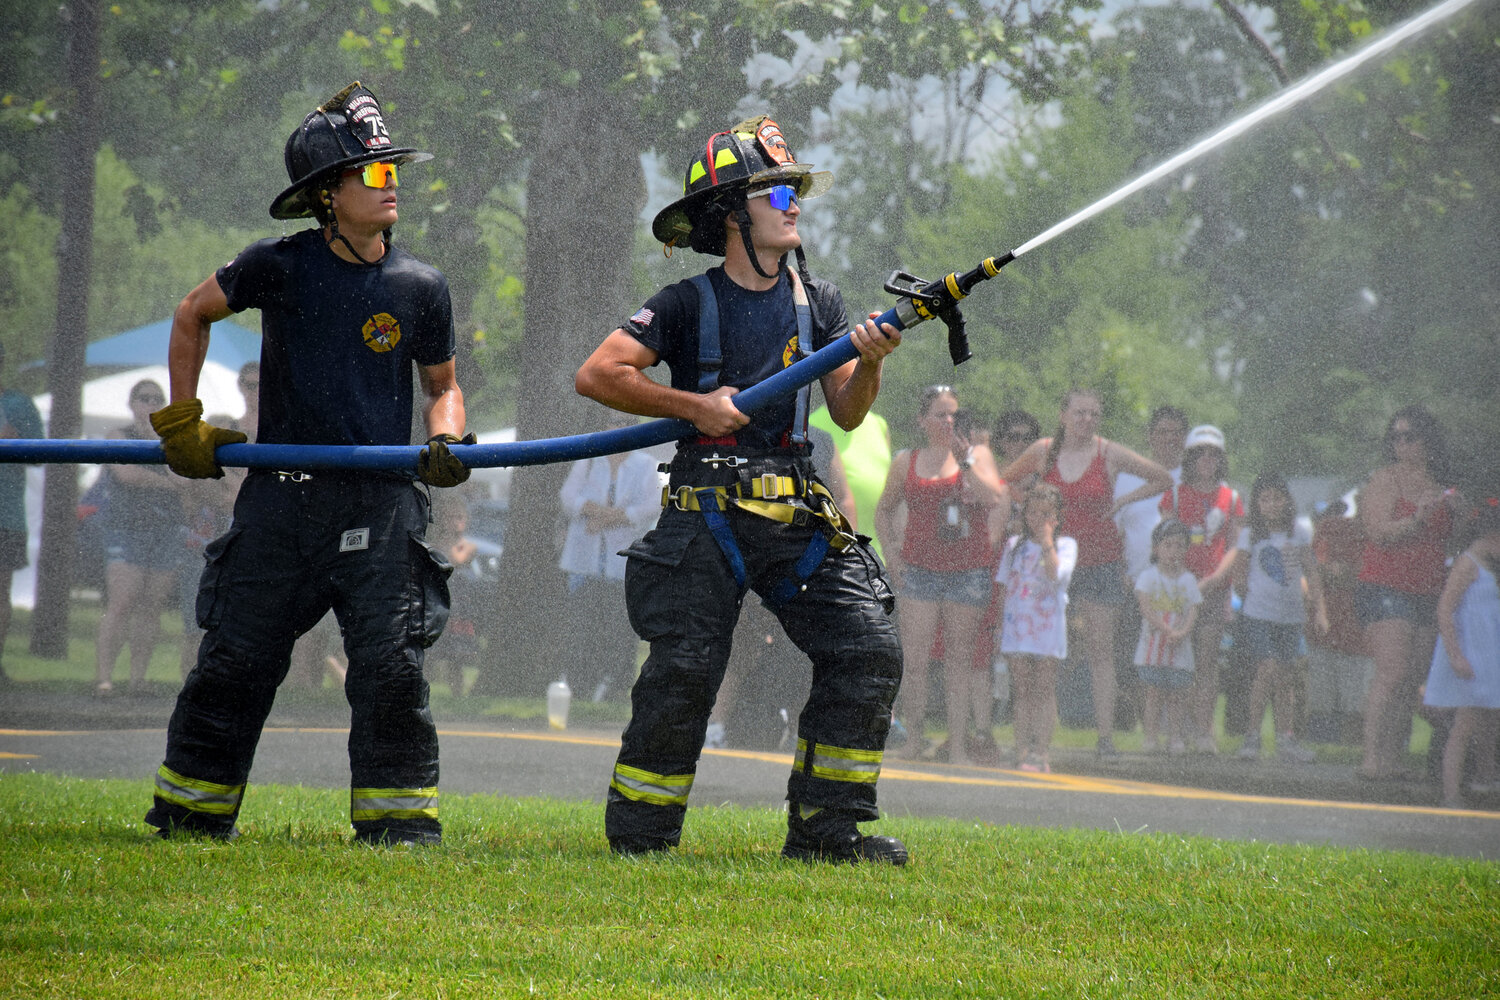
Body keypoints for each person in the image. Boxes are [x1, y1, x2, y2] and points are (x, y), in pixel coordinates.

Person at [143, 83, 471, 846]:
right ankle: (191, 816)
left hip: (381, 504)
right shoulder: (275, 267)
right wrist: (181, 419)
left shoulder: (420, 286)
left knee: (391, 670)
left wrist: (448, 440)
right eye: (376, 173)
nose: (393, 185)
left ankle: (398, 833)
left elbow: (444, 386)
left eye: (394, 171)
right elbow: (192, 314)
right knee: (233, 663)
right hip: (281, 504)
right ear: (329, 195)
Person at [574, 114, 906, 863]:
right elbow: (598, 373)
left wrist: (874, 360)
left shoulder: (819, 303)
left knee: (867, 645)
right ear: (732, 213)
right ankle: (641, 836)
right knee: (686, 669)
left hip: (793, 506)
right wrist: (693, 406)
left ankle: (827, 831)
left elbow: (847, 411)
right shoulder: (686, 304)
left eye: (794, 191)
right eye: (776, 192)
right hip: (706, 510)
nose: (793, 203)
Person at [999, 387, 1173, 760]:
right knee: (1042, 651)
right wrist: (1029, 509)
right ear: (1063, 415)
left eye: (1093, 414)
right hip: (1053, 561)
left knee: (1101, 650)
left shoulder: (1109, 453)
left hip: (1100, 560)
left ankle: (1105, 737)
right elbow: (1005, 480)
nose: (1087, 420)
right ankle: (1033, 738)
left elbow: (1162, 478)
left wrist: (1124, 500)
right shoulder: (1045, 450)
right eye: (1079, 413)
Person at [874, 386, 1007, 766]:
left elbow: (992, 499)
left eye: (953, 414)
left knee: (959, 660)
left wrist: (965, 463)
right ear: (923, 420)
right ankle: (914, 740)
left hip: (967, 571)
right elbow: (885, 510)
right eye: (940, 414)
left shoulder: (977, 455)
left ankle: (959, 746)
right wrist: (893, 557)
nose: (948, 421)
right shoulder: (908, 460)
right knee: (915, 660)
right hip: (918, 569)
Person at [1356, 406, 1461, 782]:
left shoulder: (1440, 483)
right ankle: (1371, 757)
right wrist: (1417, 516)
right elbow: (1378, 530)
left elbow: (1452, 538)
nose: (1401, 444)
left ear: (1427, 440)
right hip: (1386, 585)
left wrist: (1459, 514)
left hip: (1427, 588)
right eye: (1395, 437)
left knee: (1412, 676)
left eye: (1409, 436)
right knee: (1392, 672)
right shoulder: (1386, 479)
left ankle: (1391, 755)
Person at [557, 411, 663, 702]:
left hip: (622, 565)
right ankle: (580, 685)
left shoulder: (647, 466)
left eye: (625, 424)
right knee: (582, 625)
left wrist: (613, 518)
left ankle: (615, 685)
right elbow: (568, 498)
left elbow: (651, 507)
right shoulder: (590, 460)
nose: (618, 428)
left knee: (619, 628)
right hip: (584, 563)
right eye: (613, 422)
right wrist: (597, 512)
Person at [94, 379, 189, 696]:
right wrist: (166, 482)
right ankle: (104, 679)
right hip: (126, 528)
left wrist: (158, 440)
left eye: (157, 399)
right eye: (144, 398)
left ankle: (138, 680)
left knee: (152, 605)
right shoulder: (118, 435)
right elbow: (127, 474)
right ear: (132, 404)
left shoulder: (174, 440)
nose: (151, 404)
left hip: (166, 529)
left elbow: (187, 479)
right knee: (122, 602)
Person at [1158, 424, 1243, 754]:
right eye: (1200, 453)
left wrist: (1214, 579)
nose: (1207, 459)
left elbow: (1234, 546)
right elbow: (1164, 536)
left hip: (1213, 589)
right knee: (1177, 660)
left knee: (1207, 661)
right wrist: (1181, 576)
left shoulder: (1231, 497)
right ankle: (1176, 731)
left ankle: (1205, 731)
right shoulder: (1176, 494)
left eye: (1213, 454)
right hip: (1179, 587)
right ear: (1190, 458)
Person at [1233, 473, 1328, 763]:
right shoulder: (1250, 535)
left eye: (1277, 498)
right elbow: (1239, 574)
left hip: (1290, 616)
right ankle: (1252, 734)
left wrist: (1319, 609)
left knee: (1286, 677)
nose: (1271, 505)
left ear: (1286, 500)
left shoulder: (1298, 531)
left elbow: (1311, 570)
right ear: (1256, 504)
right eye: (1264, 499)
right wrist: (1253, 598)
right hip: (1259, 615)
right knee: (1267, 668)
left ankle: (1286, 738)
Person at [1112, 404, 1189, 736]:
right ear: (1150, 437)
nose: (1169, 439)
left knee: (1179, 660)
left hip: (1183, 586)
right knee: (1137, 660)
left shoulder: (1194, 478)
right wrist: (1120, 571)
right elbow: (1115, 530)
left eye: (1176, 433)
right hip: (1137, 582)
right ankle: (1150, 730)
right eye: (1162, 432)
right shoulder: (1129, 479)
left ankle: (1181, 731)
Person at [1422, 497, 1500, 808]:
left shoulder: (1493, 568)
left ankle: (1486, 778)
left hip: (1490, 652)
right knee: (1466, 721)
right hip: (1470, 652)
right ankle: (1451, 793)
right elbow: (1445, 608)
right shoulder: (1468, 563)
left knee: (1489, 719)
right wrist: (1455, 654)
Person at [997, 483, 1076, 773]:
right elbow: (1004, 585)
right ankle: (1021, 750)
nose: (1039, 519)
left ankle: (1041, 751)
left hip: (1048, 627)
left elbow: (1055, 573)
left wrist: (1046, 540)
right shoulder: (1013, 546)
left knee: (1044, 688)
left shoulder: (1066, 546)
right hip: (1018, 626)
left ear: (1057, 516)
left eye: (1046, 513)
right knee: (1022, 690)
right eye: (1033, 513)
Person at [1134, 519, 1202, 755]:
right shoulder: (1149, 576)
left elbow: (1193, 609)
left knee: (1176, 695)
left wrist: (1182, 632)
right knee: (1153, 694)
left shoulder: (1189, 580)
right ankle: (1151, 736)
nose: (1174, 551)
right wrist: (1166, 630)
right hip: (1154, 647)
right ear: (1157, 548)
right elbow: (1145, 607)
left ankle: (1175, 737)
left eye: (1179, 546)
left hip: (1179, 649)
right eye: (1168, 545)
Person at [0, 343, 44, 685]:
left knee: (1, 594)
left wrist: (14, 438)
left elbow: (39, 453)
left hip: (6, 517)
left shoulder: (17, 404)